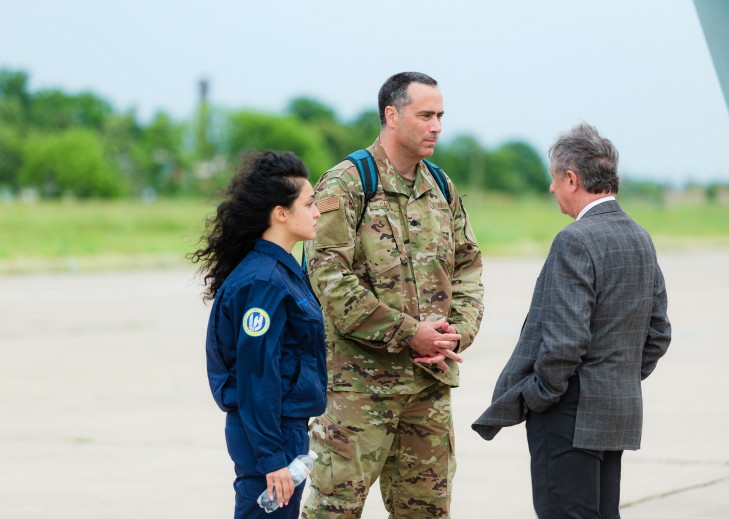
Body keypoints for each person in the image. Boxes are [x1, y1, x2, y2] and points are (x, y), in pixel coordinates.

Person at [300, 72, 484, 519]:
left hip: (428, 391)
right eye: (425, 115)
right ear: (392, 115)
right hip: (358, 396)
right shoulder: (346, 184)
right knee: (333, 511)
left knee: (426, 512)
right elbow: (329, 280)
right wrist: (408, 334)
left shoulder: (441, 187)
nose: (436, 126)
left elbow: (468, 268)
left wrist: (454, 334)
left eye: (440, 116)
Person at [472, 122, 672, 519]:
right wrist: (618, 376)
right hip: (616, 410)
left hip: (569, 409)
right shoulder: (639, 235)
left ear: (572, 178)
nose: (551, 189)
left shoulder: (575, 240)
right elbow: (658, 333)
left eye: (553, 179)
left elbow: (566, 342)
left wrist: (540, 395)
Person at [189, 149, 327, 519]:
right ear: (280, 213)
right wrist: (272, 458)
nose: (317, 212)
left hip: (282, 431)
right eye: (309, 203)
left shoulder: (282, 271)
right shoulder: (264, 282)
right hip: (269, 436)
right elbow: (256, 375)